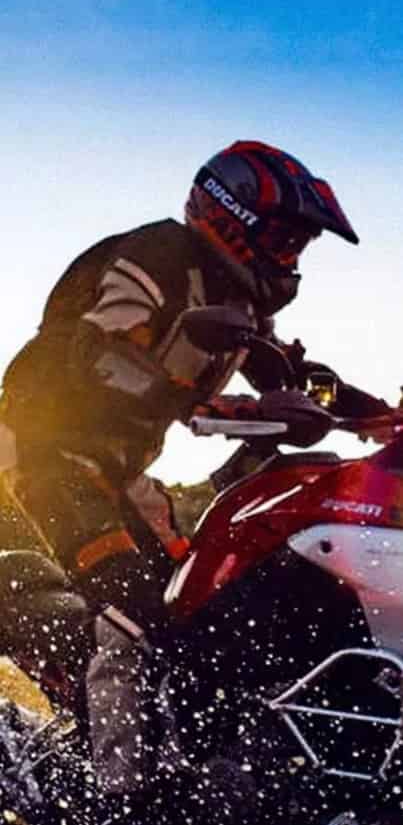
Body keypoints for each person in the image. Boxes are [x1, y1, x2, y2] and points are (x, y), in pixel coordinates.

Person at [0, 140, 390, 822]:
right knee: (133, 617)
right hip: (51, 453)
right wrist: (216, 406)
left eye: (299, 247)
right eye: (284, 241)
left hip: (121, 472)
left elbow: (294, 376)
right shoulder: (158, 257)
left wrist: (378, 416)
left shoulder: (237, 303)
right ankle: (121, 797)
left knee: (194, 610)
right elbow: (89, 358)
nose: (290, 259)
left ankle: (204, 755)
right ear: (233, 219)